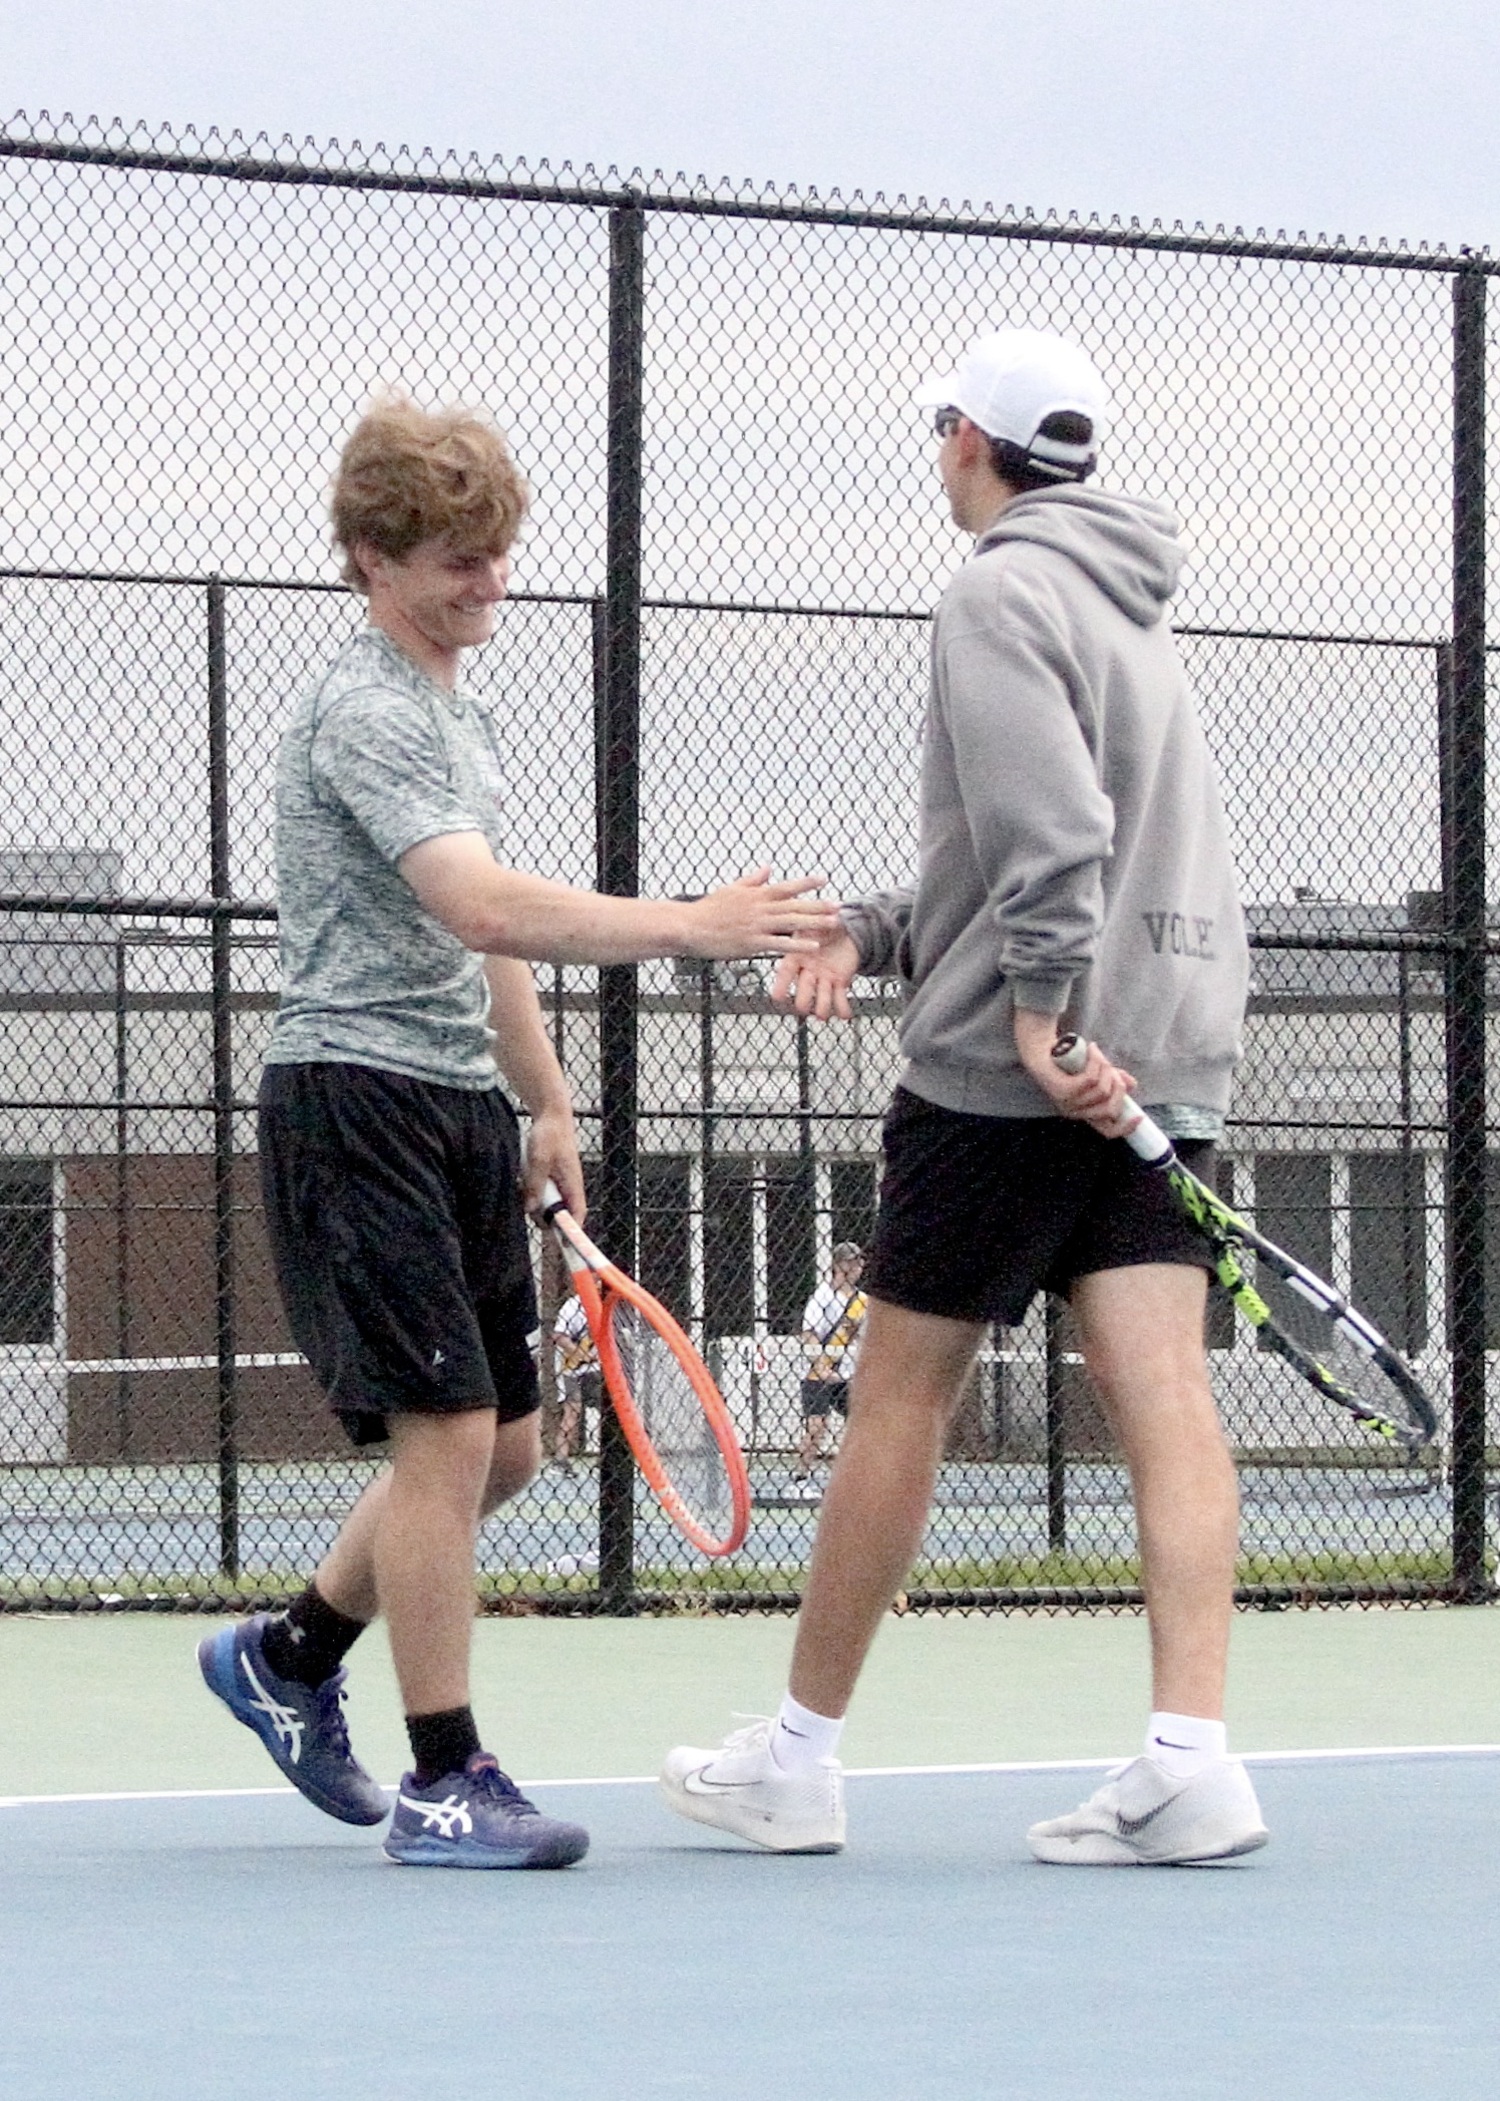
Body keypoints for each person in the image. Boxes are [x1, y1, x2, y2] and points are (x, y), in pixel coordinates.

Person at [197, 396, 836, 1870]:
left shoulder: (455, 714)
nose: (489, 582)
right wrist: (695, 927)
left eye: (497, 553)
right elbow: (484, 903)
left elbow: (480, 944)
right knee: (446, 1442)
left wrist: (542, 1100)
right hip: (353, 1096)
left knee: (507, 1454)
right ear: (367, 557)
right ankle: (444, 1778)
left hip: (457, 1105)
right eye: (454, 559)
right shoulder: (363, 711)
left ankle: (288, 1658)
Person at [661, 329, 1265, 1867]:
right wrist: (875, 929)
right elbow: (1024, 865)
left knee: (898, 1395)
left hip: (1017, 1073)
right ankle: (1192, 1759)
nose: (940, 455)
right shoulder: (1135, 611)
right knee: (1168, 1397)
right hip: (1162, 1062)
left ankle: (796, 1761)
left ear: (969, 443)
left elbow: (1052, 839)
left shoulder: (996, 590)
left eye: (944, 431)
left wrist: (1048, 1023)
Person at [794, 1243, 866, 1477]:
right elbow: (810, 1334)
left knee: (863, 1422)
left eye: (858, 1262)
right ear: (838, 1265)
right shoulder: (823, 1297)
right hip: (818, 1372)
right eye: (851, 1262)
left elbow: (860, 1338)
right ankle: (801, 1475)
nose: (858, 1267)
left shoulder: (862, 1301)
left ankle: (855, 1473)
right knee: (817, 1427)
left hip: (845, 1374)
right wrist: (821, 1367)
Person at [551, 1291, 601, 1467]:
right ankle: (561, 1458)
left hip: (596, 1368)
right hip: (571, 1368)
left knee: (609, 1409)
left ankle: (607, 1455)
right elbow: (559, 1336)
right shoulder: (573, 1306)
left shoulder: (605, 1305)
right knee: (573, 1410)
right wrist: (580, 1354)